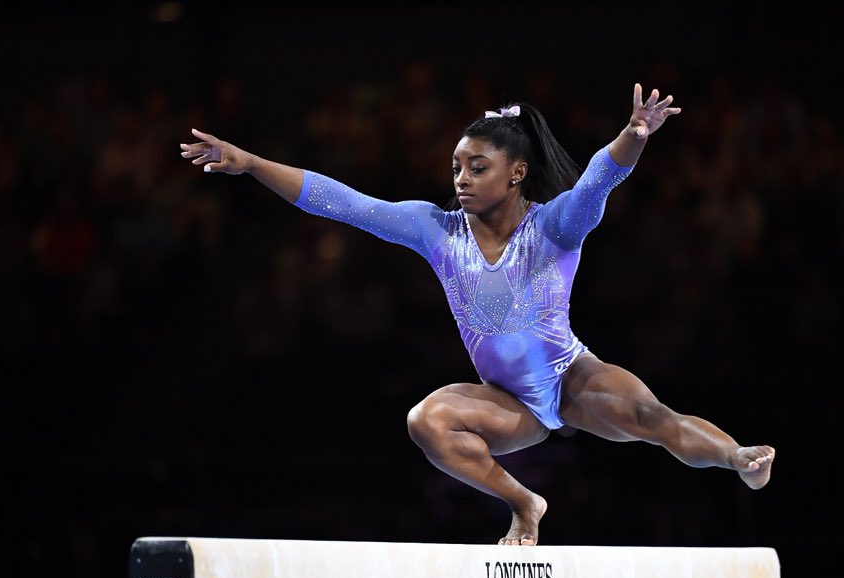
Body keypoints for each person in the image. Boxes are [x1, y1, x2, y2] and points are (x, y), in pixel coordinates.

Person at [180, 83, 775, 546]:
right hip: (508, 402)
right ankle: (524, 503)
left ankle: (736, 457)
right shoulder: (436, 232)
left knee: (654, 417)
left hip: (568, 379)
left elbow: (598, 181)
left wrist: (636, 133)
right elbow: (343, 202)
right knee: (426, 422)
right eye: (456, 168)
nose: (461, 180)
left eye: (477, 168)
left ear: (516, 172)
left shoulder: (553, 227)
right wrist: (252, 162)